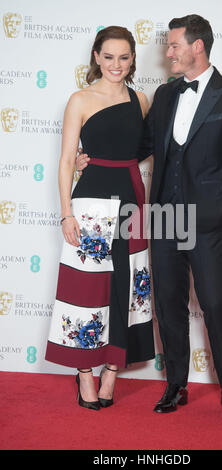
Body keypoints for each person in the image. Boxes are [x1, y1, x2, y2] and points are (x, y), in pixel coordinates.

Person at [76, 14, 222, 422]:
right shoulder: (163, 95)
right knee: (169, 306)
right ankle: (176, 384)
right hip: (161, 217)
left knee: (215, 305)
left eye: (174, 45)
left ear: (197, 47)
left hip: (206, 220)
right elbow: (137, 145)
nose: (167, 52)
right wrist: (87, 157)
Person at [45, 26, 155, 410]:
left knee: (126, 284)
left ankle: (112, 370)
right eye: (108, 57)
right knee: (86, 288)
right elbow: (64, 160)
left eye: (124, 57)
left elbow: (142, 150)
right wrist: (65, 213)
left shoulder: (141, 100)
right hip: (90, 203)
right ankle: (84, 373)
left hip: (130, 200)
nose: (116, 65)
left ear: (132, 59)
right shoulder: (80, 99)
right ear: (96, 57)